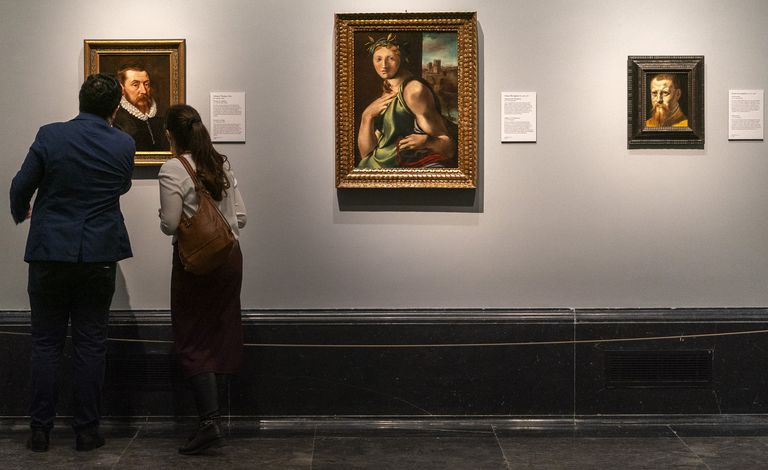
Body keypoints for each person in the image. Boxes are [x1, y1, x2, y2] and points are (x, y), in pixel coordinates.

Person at [9, 74, 135, 452]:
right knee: (91, 343)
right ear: (115, 108)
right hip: (97, 253)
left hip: (50, 252)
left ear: (80, 100)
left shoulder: (50, 135)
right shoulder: (125, 143)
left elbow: (19, 187)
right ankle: (86, 430)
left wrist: (23, 212)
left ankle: (40, 430)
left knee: (46, 343)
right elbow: (122, 186)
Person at [158, 104, 247, 455]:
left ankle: (209, 422)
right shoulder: (220, 162)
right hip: (229, 258)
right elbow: (241, 215)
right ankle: (213, 417)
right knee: (219, 328)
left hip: (194, 262)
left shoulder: (172, 168)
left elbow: (169, 223)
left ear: (170, 135)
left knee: (192, 333)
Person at [357, 34, 457, 169]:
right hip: (379, 168)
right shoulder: (387, 89)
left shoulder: (414, 91)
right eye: (378, 59)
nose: (383, 65)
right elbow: (366, 155)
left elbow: (448, 147)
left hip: (405, 167)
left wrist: (426, 141)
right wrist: (367, 116)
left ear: (401, 59)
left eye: (390, 58)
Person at [113, 63, 169, 151]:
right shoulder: (117, 121)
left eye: (146, 84)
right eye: (135, 85)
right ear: (122, 89)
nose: (143, 91)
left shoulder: (162, 117)